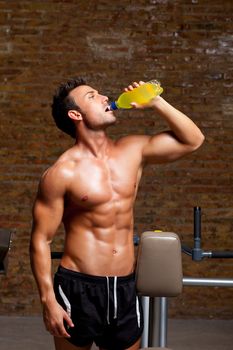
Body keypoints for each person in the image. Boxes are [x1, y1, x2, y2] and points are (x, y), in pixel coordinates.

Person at [30, 77, 204, 350]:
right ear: (76, 114)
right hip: (79, 287)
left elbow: (194, 140)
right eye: (91, 96)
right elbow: (41, 240)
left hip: (124, 286)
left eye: (100, 93)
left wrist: (156, 101)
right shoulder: (62, 172)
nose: (103, 97)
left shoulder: (133, 150)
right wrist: (48, 301)